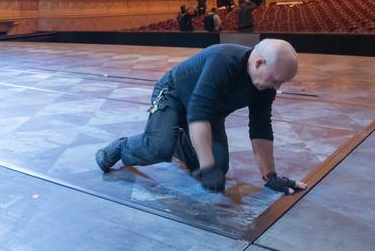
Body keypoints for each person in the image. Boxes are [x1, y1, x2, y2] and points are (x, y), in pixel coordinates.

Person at [95, 40, 306, 195]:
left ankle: (174, 138)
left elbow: (261, 128)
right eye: (276, 80)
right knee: (159, 147)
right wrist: (206, 166)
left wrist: (270, 176)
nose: (277, 88)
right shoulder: (223, 61)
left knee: (219, 169)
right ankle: (123, 147)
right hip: (173, 95)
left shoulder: (265, 87)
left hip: (209, 114)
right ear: (259, 63)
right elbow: (197, 111)